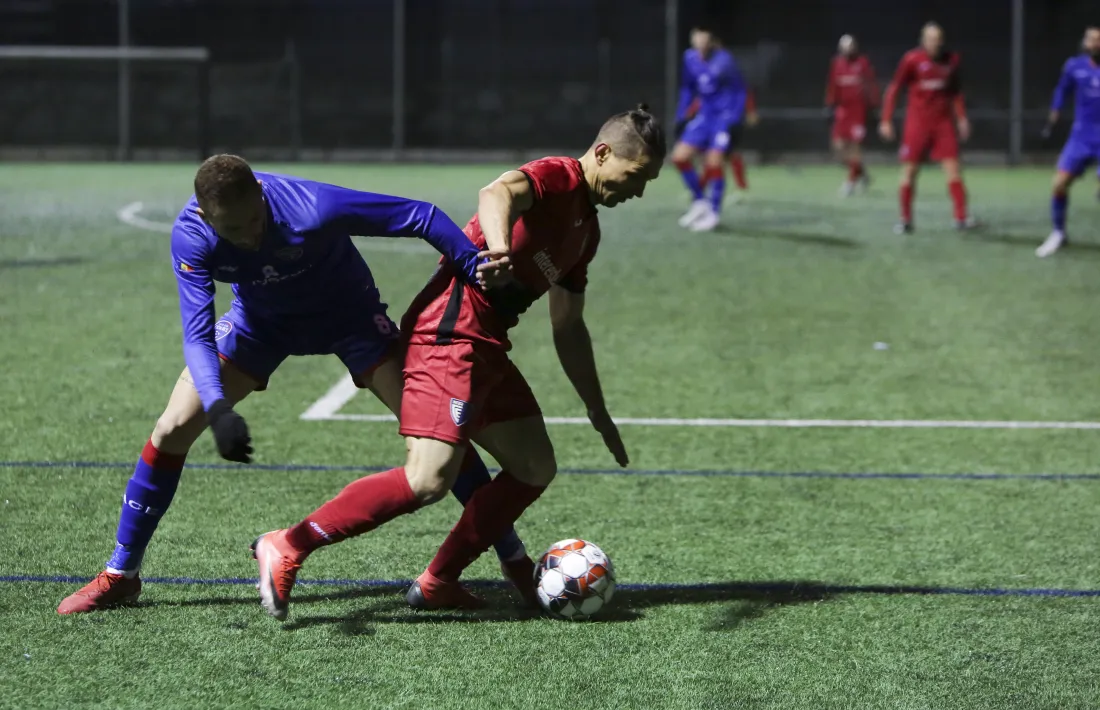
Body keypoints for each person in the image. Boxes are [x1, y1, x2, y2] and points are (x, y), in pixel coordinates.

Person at [56, 155, 529, 614]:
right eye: (233, 230)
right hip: (260, 326)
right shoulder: (192, 236)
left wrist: (472, 264)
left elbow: (419, 216)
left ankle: (512, 558)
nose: (249, 237)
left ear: (261, 194)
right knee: (171, 428)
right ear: (204, 214)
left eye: (254, 221)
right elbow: (197, 334)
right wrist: (218, 408)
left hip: (351, 320)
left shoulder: (310, 205)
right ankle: (122, 574)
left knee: (437, 432)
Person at [251, 105, 665, 620]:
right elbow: (497, 193)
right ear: (603, 153)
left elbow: (567, 326)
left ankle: (437, 581)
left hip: (487, 346)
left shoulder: (587, 232)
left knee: (535, 465)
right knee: (428, 479)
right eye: (637, 175)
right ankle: (289, 544)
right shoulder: (557, 177)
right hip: (448, 336)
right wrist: (497, 251)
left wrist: (596, 408)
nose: (639, 190)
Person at [880, 22, 978, 233]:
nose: (935, 43)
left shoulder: (951, 60)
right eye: (931, 39)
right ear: (923, 41)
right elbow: (895, 88)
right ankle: (905, 219)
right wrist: (886, 119)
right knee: (909, 171)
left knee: (954, 169)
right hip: (917, 124)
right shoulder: (911, 60)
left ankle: (961, 217)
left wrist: (961, 118)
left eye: (938, 39)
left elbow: (955, 93)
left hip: (943, 124)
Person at [672, 26, 748, 232]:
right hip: (704, 117)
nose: (700, 40)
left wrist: (735, 118)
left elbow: (740, 90)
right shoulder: (689, 58)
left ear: (711, 39)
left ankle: (713, 213)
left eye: (704, 36)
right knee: (679, 157)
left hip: (723, 118)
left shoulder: (725, 60)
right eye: (697, 36)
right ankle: (700, 202)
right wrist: (681, 115)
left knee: (714, 161)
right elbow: (688, 88)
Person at [1035, 26, 1100, 258]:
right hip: (1081, 135)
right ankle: (1058, 233)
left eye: (1097, 40)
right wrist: (1055, 110)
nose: (1093, 44)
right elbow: (1062, 89)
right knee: (1059, 183)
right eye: (1090, 39)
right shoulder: (1074, 66)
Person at [825, 34, 879, 196]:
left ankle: (850, 182)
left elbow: (871, 85)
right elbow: (833, 85)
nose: (849, 50)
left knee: (855, 149)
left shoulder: (862, 63)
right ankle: (861, 173)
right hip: (842, 111)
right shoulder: (837, 64)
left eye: (851, 46)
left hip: (859, 112)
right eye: (845, 47)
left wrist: (874, 105)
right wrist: (829, 103)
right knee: (839, 149)